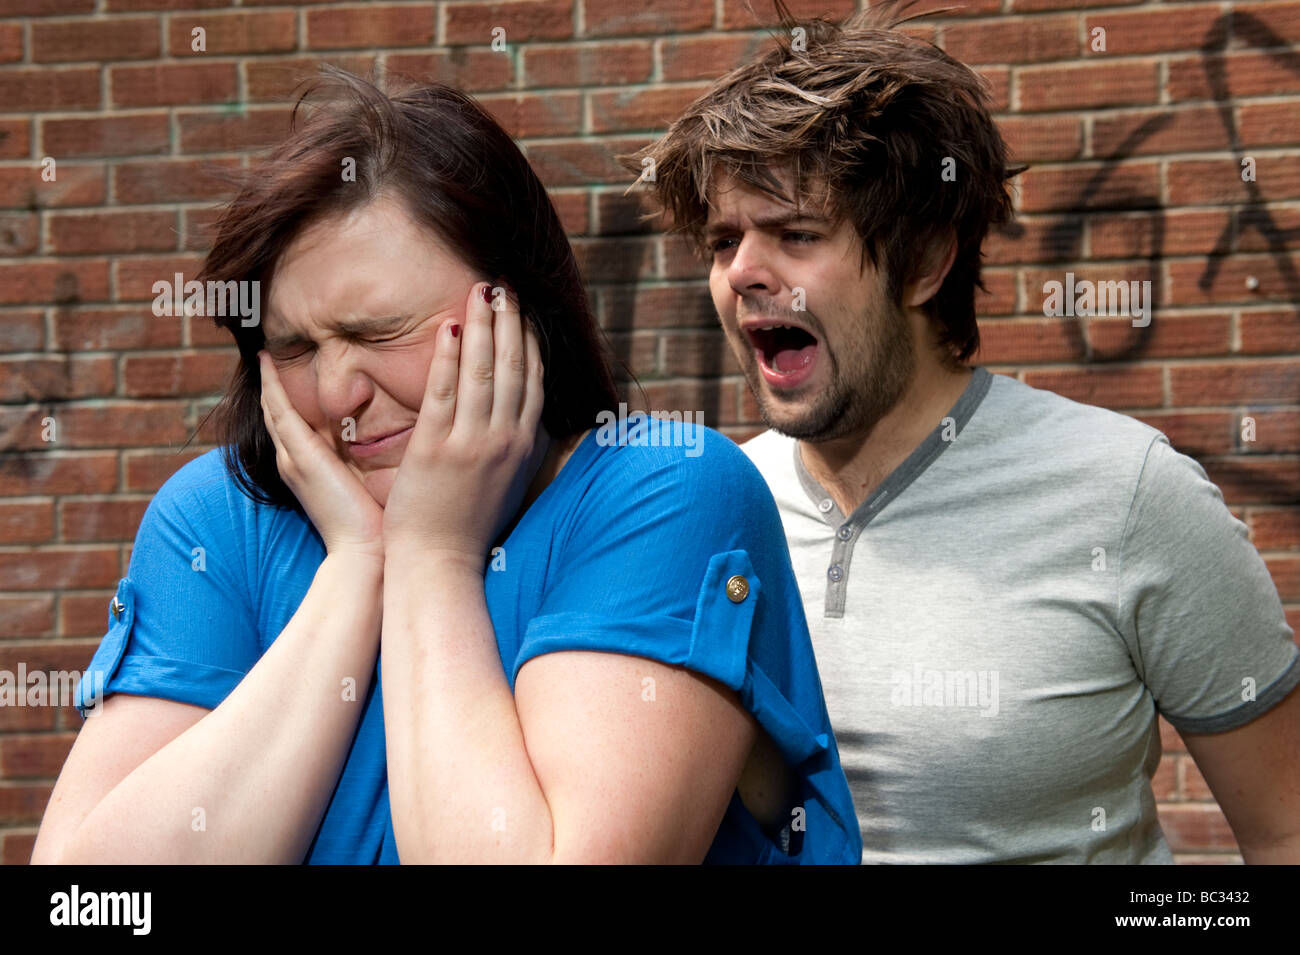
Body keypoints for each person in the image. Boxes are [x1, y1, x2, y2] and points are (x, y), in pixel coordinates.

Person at [31, 67, 861, 865]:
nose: (335, 391)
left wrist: (432, 556)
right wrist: (359, 564)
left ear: (517, 313)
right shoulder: (219, 521)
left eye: (379, 332)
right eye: (293, 347)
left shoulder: (661, 491)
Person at [624, 0, 1300, 863]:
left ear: (923, 262)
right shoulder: (710, 509)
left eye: (796, 233)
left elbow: (1285, 826)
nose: (744, 273)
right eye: (724, 241)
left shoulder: (1128, 493)